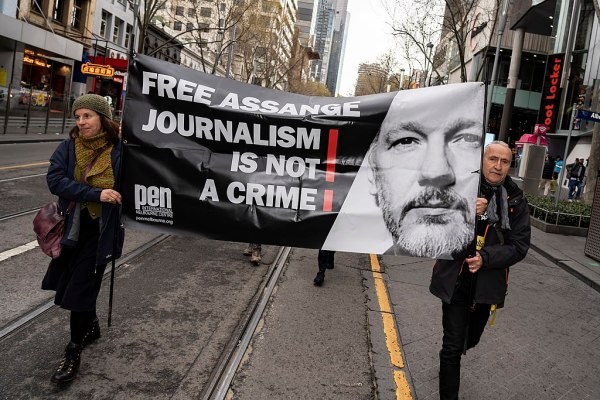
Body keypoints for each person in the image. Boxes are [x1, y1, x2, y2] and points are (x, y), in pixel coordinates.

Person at [430, 141, 531, 400]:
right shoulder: (461, 186)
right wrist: (464, 211)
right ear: (482, 160)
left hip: (487, 285)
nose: (498, 166)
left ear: (510, 166)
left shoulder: (516, 200)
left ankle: (454, 352)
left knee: (470, 339)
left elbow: (519, 246)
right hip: (455, 280)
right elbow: (434, 225)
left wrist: (485, 258)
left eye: (504, 161)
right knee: (452, 346)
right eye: (492, 159)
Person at [42, 94, 124, 384]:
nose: (81, 122)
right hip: (72, 230)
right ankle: (91, 326)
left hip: (101, 232)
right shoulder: (68, 147)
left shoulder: (120, 149)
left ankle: (73, 350)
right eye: (78, 117)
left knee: (79, 289)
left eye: (87, 116)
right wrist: (95, 194)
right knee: (76, 283)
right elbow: (55, 181)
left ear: (103, 118)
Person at [368, 84, 483, 258]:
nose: (436, 173)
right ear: (372, 171)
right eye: (406, 141)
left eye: (467, 138)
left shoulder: (503, 203)